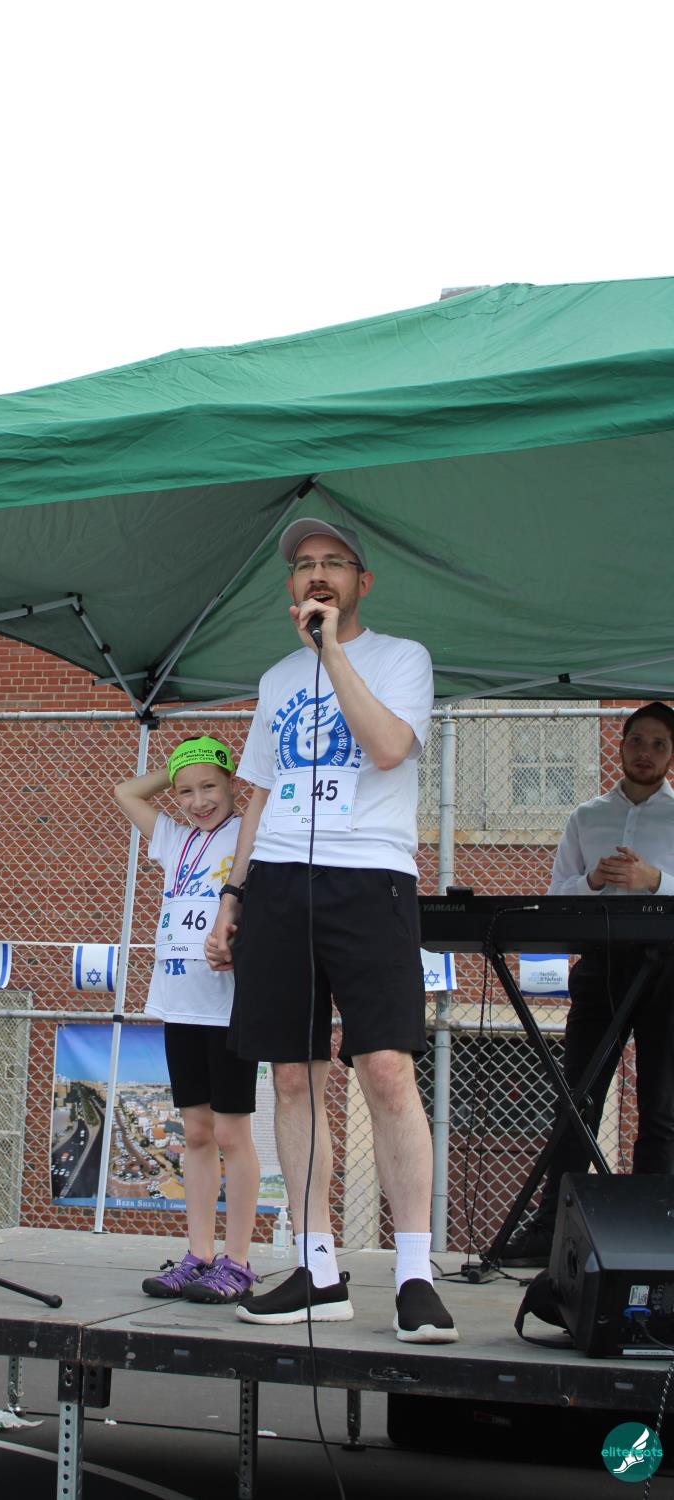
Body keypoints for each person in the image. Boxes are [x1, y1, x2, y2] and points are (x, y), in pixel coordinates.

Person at [205, 518, 457, 1343]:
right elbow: (259, 793)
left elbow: (386, 748)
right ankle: (317, 1268)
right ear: (290, 587)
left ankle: (415, 1274)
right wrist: (234, 894)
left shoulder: (402, 658)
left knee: (385, 1067)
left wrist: (331, 654)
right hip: (279, 881)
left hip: (370, 876)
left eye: (332, 564)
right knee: (291, 1075)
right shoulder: (276, 679)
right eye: (304, 565)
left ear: (361, 582)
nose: (316, 574)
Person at [502, 700, 674, 1267]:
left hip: (667, 971)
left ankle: (656, 1234)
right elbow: (556, 898)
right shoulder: (586, 817)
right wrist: (594, 880)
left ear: (671, 755)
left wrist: (654, 880)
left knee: (661, 1107)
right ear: (619, 746)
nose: (645, 753)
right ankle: (552, 1229)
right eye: (637, 741)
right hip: (601, 966)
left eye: (658, 744)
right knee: (577, 1100)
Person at [115, 735, 260, 1303]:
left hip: (227, 1003)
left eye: (211, 787)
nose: (199, 801)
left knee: (230, 1133)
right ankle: (199, 1254)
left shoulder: (249, 833)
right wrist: (178, 763)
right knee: (196, 1132)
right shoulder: (174, 838)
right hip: (178, 1001)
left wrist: (225, 762)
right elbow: (126, 792)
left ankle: (238, 1261)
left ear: (232, 784)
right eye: (186, 792)